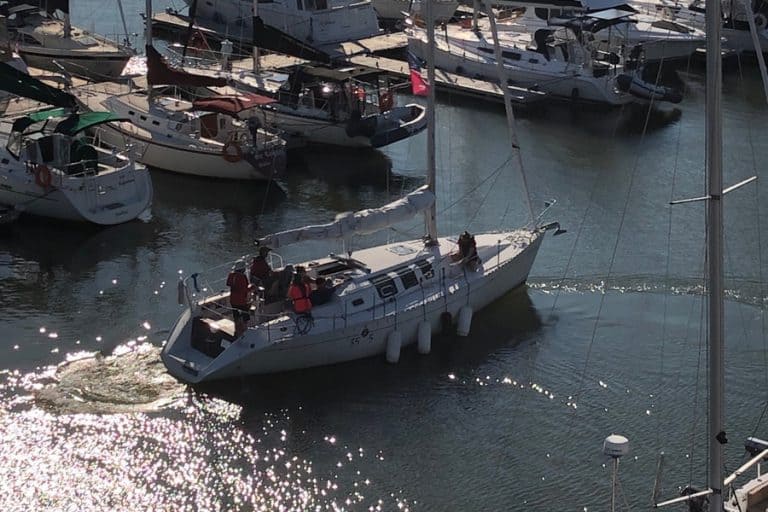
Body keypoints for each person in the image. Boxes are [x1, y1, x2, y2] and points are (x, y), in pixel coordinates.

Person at [226, 259, 251, 336]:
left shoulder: (231, 275)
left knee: (236, 316)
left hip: (233, 300)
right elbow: (245, 289)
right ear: (243, 269)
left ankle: (237, 331)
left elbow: (228, 284)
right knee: (245, 317)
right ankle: (244, 332)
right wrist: (253, 287)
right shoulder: (242, 277)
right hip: (241, 300)